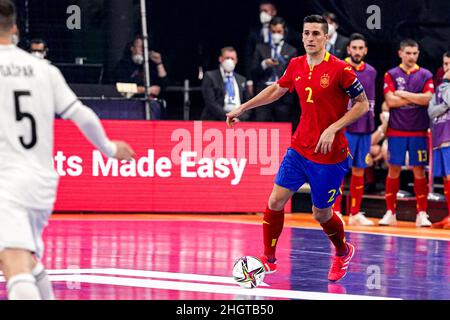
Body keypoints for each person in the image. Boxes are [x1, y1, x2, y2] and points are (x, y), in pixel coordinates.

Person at [0, 0, 135, 300]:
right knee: (25, 259)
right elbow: (82, 114)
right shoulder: (43, 69)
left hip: (7, 180)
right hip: (41, 181)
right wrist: (110, 149)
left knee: (13, 261)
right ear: (16, 30)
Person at [226, 15, 369, 282]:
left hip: (329, 155)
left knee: (321, 213)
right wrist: (243, 108)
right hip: (299, 148)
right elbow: (276, 90)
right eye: (306, 33)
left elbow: (362, 105)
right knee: (275, 200)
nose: (311, 38)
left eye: (316, 33)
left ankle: (342, 250)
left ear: (326, 37)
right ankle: (268, 260)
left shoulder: (341, 70)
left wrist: (332, 128)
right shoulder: (296, 64)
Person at [380, 39, 434, 227]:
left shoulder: (426, 74)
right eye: (408, 53)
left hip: (419, 130)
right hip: (396, 130)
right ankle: (390, 212)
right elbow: (391, 102)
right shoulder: (391, 74)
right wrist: (415, 98)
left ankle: (422, 213)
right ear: (400, 53)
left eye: (415, 53)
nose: (412, 56)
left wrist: (402, 93)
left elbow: (428, 99)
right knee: (393, 169)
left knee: (419, 170)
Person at [332, 33, 376, 226]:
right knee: (340, 171)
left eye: (361, 48)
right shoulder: (339, 67)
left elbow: (372, 101)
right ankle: (335, 212)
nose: (357, 51)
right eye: (354, 48)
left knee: (360, 170)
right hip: (346, 128)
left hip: (364, 129)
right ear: (348, 49)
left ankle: (355, 212)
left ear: (365, 50)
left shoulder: (372, 71)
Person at [251, 16, 297, 122]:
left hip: (282, 96)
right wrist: (264, 64)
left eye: (279, 31)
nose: (276, 34)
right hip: (263, 94)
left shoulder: (291, 51)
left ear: (284, 32)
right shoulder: (260, 48)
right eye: (273, 31)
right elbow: (253, 71)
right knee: (261, 128)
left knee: (282, 129)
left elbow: (294, 74)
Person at [429, 51, 450, 229]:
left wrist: (447, 82)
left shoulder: (444, 85)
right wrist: (443, 106)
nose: (447, 69)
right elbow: (431, 111)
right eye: (445, 65)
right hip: (441, 136)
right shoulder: (440, 87)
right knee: (445, 178)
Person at [201, 47, 251, 121]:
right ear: (220, 59)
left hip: (238, 121)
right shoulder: (210, 76)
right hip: (215, 121)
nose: (229, 61)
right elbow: (211, 103)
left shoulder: (242, 79)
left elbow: (248, 102)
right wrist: (228, 117)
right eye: (227, 58)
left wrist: (240, 118)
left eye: (232, 58)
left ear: (236, 60)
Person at [113, 34, 168, 99]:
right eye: (140, 47)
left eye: (144, 48)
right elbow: (120, 87)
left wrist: (159, 63)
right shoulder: (123, 65)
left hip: (150, 103)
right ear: (132, 48)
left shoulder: (150, 65)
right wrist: (147, 90)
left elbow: (164, 83)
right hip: (130, 102)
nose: (142, 50)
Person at [244, 1, 278, 95]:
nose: (263, 14)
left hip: (279, 79)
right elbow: (248, 57)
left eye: (266, 11)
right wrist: (249, 80)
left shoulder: (284, 29)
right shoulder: (254, 33)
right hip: (259, 79)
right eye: (261, 11)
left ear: (273, 12)